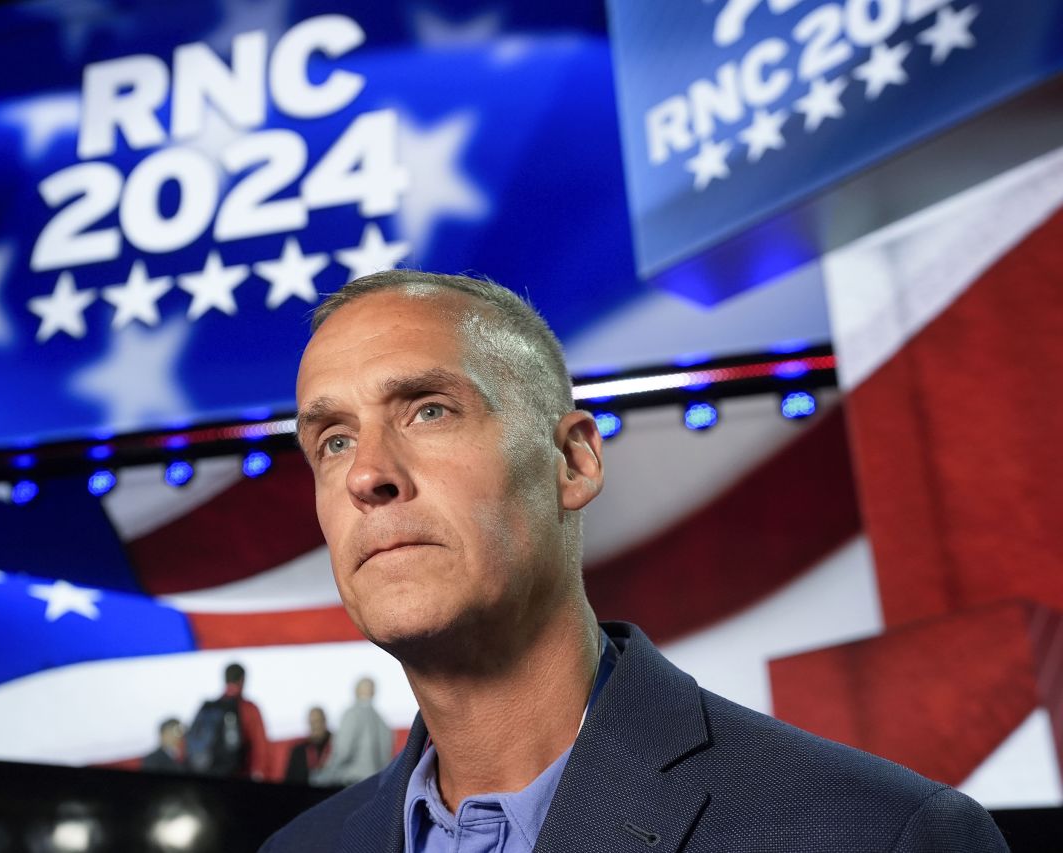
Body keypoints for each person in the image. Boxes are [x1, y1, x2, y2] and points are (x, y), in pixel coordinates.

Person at [262, 270, 1009, 851]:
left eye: (430, 409)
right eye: (333, 439)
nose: (367, 473)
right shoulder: (300, 846)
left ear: (573, 460)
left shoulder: (880, 836)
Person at [185, 662, 269, 780]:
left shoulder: (208, 707)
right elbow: (260, 746)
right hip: (238, 774)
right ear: (242, 680)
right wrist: (259, 773)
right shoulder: (249, 709)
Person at [311, 677, 394, 787]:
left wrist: (325, 775)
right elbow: (386, 759)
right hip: (376, 784)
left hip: (352, 783)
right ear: (373, 692)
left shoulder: (351, 714)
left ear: (356, 690)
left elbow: (343, 752)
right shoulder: (383, 722)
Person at [285, 706, 333, 785]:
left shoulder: (337, 746)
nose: (315, 727)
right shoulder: (298, 751)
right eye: (312, 723)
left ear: (325, 721)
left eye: (318, 721)